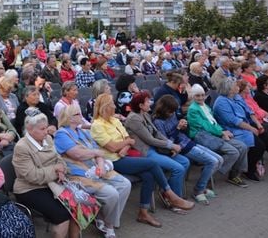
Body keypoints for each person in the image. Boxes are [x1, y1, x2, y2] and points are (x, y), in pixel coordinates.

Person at [91, 93, 194, 226]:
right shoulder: (97, 125)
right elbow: (112, 147)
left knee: (149, 175)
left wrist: (124, 146)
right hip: (113, 161)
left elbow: (130, 139)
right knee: (152, 163)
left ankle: (143, 213)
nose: (114, 105)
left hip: (125, 155)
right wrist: (124, 144)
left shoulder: (115, 121)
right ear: (105, 107)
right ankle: (170, 194)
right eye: (111, 103)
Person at [54, 104, 131, 238]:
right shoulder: (61, 134)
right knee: (111, 194)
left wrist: (100, 165)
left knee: (125, 184)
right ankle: (109, 226)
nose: (81, 116)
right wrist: (95, 153)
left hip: (95, 169)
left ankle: (102, 218)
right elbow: (77, 154)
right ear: (70, 118)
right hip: (78, 175)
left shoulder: (83, 132)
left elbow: (99, 153)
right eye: (78, 114)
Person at [13, 109, 79, 238]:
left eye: (46, 127)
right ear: (30, 129)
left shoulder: (47, 138)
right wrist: (56, 170)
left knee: (76, 206)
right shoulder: (22, 147)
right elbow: (33, 176)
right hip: (29, 188)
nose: (46, 131)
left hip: (51, 184)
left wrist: (62, 169)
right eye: (42, 129)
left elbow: (58, 158)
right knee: (62, 215)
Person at [154, 94, 223, 205]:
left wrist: (183, 125)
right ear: (164, 109)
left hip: (187, 142)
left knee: (219, 160)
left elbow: (180, 132)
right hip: (180, 147)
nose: (172, 114)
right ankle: (199, 189)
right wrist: (177, 128)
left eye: (173, 112)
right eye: (170, 112)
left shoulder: (171, 115)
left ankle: (202, 185)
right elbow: (167, 142)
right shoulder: (158, 122)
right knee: (212, 161)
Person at [124, 91, 190, 198]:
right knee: (179, 168)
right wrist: (171, 146)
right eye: (147, 101)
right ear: (140, 105)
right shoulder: (133, 119)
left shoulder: (145, 114)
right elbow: (150, 140)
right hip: (146, 152)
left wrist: (170, 144)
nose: (150, 103)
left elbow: (156, 133)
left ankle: (168, 191)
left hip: (156, 149)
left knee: (185, 162)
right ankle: (174, 198)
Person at [187, 84, 249, 188]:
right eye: (197, 96)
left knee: (242, 146)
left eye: (202, 95)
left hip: (214, 134)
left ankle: (233, 175)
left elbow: (213, 123)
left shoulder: (205, 106)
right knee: (233, 152)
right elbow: (205, 126)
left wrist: (223, 131)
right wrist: (221, 133)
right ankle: (209, 172)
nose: (201, 98)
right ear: (193, 96)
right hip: (203, 136)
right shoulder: (193, 109)